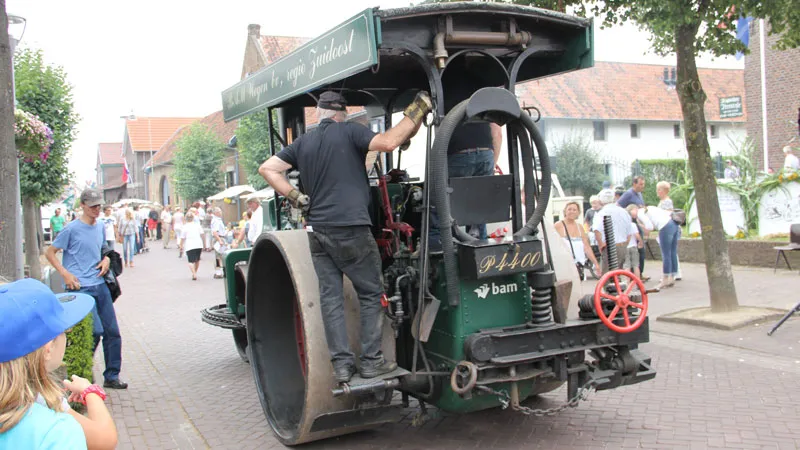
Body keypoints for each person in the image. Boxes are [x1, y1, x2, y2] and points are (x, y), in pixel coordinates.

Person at [259, 90, 430, 383]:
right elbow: (389, 142)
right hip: (350, 227)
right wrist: (417, 110)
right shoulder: (351, 131)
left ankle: (342, 366)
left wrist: (296, 196)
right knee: (372, 292)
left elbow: (268, 168)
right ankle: (372, 361)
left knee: (331, 299)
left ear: (320, 114)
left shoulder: (303, 142)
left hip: (317, 231)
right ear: (341, 114)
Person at [0, 278, 118, 450]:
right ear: (48, 348)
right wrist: (90, 392)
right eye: (63, 329)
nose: (67, 332)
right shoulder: (57, 432)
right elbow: (104, 440)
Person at [45, 188, 128, 390]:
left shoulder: (100, 226)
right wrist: (64, 273)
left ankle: (111, 376)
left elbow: (103, 249)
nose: (96, 209)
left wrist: (107, 259)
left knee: (112, 332)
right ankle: (79, 371)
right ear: (82, 205)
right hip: (80, 287)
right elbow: (50, 252)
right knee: (94, 331)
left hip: (100, 285)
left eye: (99, 205)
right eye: (92, 206)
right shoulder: (71, 229)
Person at [554, 201, 600, 280]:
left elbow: (586, 247)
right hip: (563, 265)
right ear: (565, 211)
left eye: (574, 210)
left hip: (578, 264)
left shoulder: (580, 227)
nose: (572, 211)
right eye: (569, 209)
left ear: (578, 212)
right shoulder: (558, 225)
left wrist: (596, 264)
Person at [592, 189, 633, 274]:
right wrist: (625, 244)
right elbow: (629, 232)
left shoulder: (601, 213)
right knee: (618, 273)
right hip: (622, 244)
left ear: (600, 200)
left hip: (608, 247)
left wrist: (601, 245)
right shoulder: (624, 212)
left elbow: (597, 231)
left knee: (607, 275)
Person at [641, 204, 680, 290]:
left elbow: (649, 227)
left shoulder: (640, 212)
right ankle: (672, 277)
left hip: (664, 226)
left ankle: (665, 279)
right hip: (674, 223)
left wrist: (640, 225)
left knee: (665, 253)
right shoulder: (652, 207)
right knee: (672, 252)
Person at [655, 181, 681, 280]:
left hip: (665, 227)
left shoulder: (666, 202)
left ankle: (667, 274)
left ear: (665, 191)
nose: (657, 191)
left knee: (667, 252)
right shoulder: (665, 201)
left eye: (659, 189)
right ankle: (674, 273)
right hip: (671, 227)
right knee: (672, 252)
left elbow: (667, 213)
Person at [180, 212, 205, 281]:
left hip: (190, 244)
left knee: (190, 261)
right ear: (193, 218)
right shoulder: (197, 225)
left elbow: (182, 237)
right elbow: (202, 234)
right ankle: (195, 272)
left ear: (186, 219)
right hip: (198, 244)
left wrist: (181, 245)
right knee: (197, 260)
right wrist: (204, 244)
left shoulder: (185, 227)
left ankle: (194, 273)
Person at [210, 207, 230, 278]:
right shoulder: (216, 221)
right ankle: (219, 272)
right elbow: (215, 232)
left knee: (220, 256)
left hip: (221, 238)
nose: (221, 213)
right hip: (219, 239)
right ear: (216, 213)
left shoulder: (217, 220)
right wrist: (219, 240)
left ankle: (220, 271)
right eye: (219, 212)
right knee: (220, 256)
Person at [624, 205, 644, 278]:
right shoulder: (633, 225)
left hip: (625, 247)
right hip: (633, 246)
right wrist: (641, 242)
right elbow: (637, 235)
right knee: (636, 265)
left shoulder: (623, 225)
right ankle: (638, 281)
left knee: (627, 265)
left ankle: (627, 282)